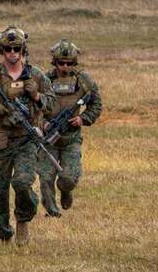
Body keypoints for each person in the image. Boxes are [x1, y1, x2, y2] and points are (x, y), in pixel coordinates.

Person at [0, 26, 55, 244]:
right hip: (0, 140)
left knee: (23, 183)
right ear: (2, 50)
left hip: (26, 140)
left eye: (17, 49)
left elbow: (53, 105)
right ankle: (4, 231)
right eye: (8, 49)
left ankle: (23, 220)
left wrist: (36, 96)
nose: (13, 53)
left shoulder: (36, 75)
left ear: (23, 49)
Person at [36, 39, 101, 217]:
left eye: (69, 63)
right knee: (46, 177)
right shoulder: (45, 80)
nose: (65, 67)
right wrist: (43, 123)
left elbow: (96, 104)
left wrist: (83, 118)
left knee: (68, 179)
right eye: (61, 63)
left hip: (71, 139)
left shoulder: (83, 80)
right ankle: (52, 212)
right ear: (54, 62)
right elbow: (34, 107)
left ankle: (65, 190)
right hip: (48, 139)